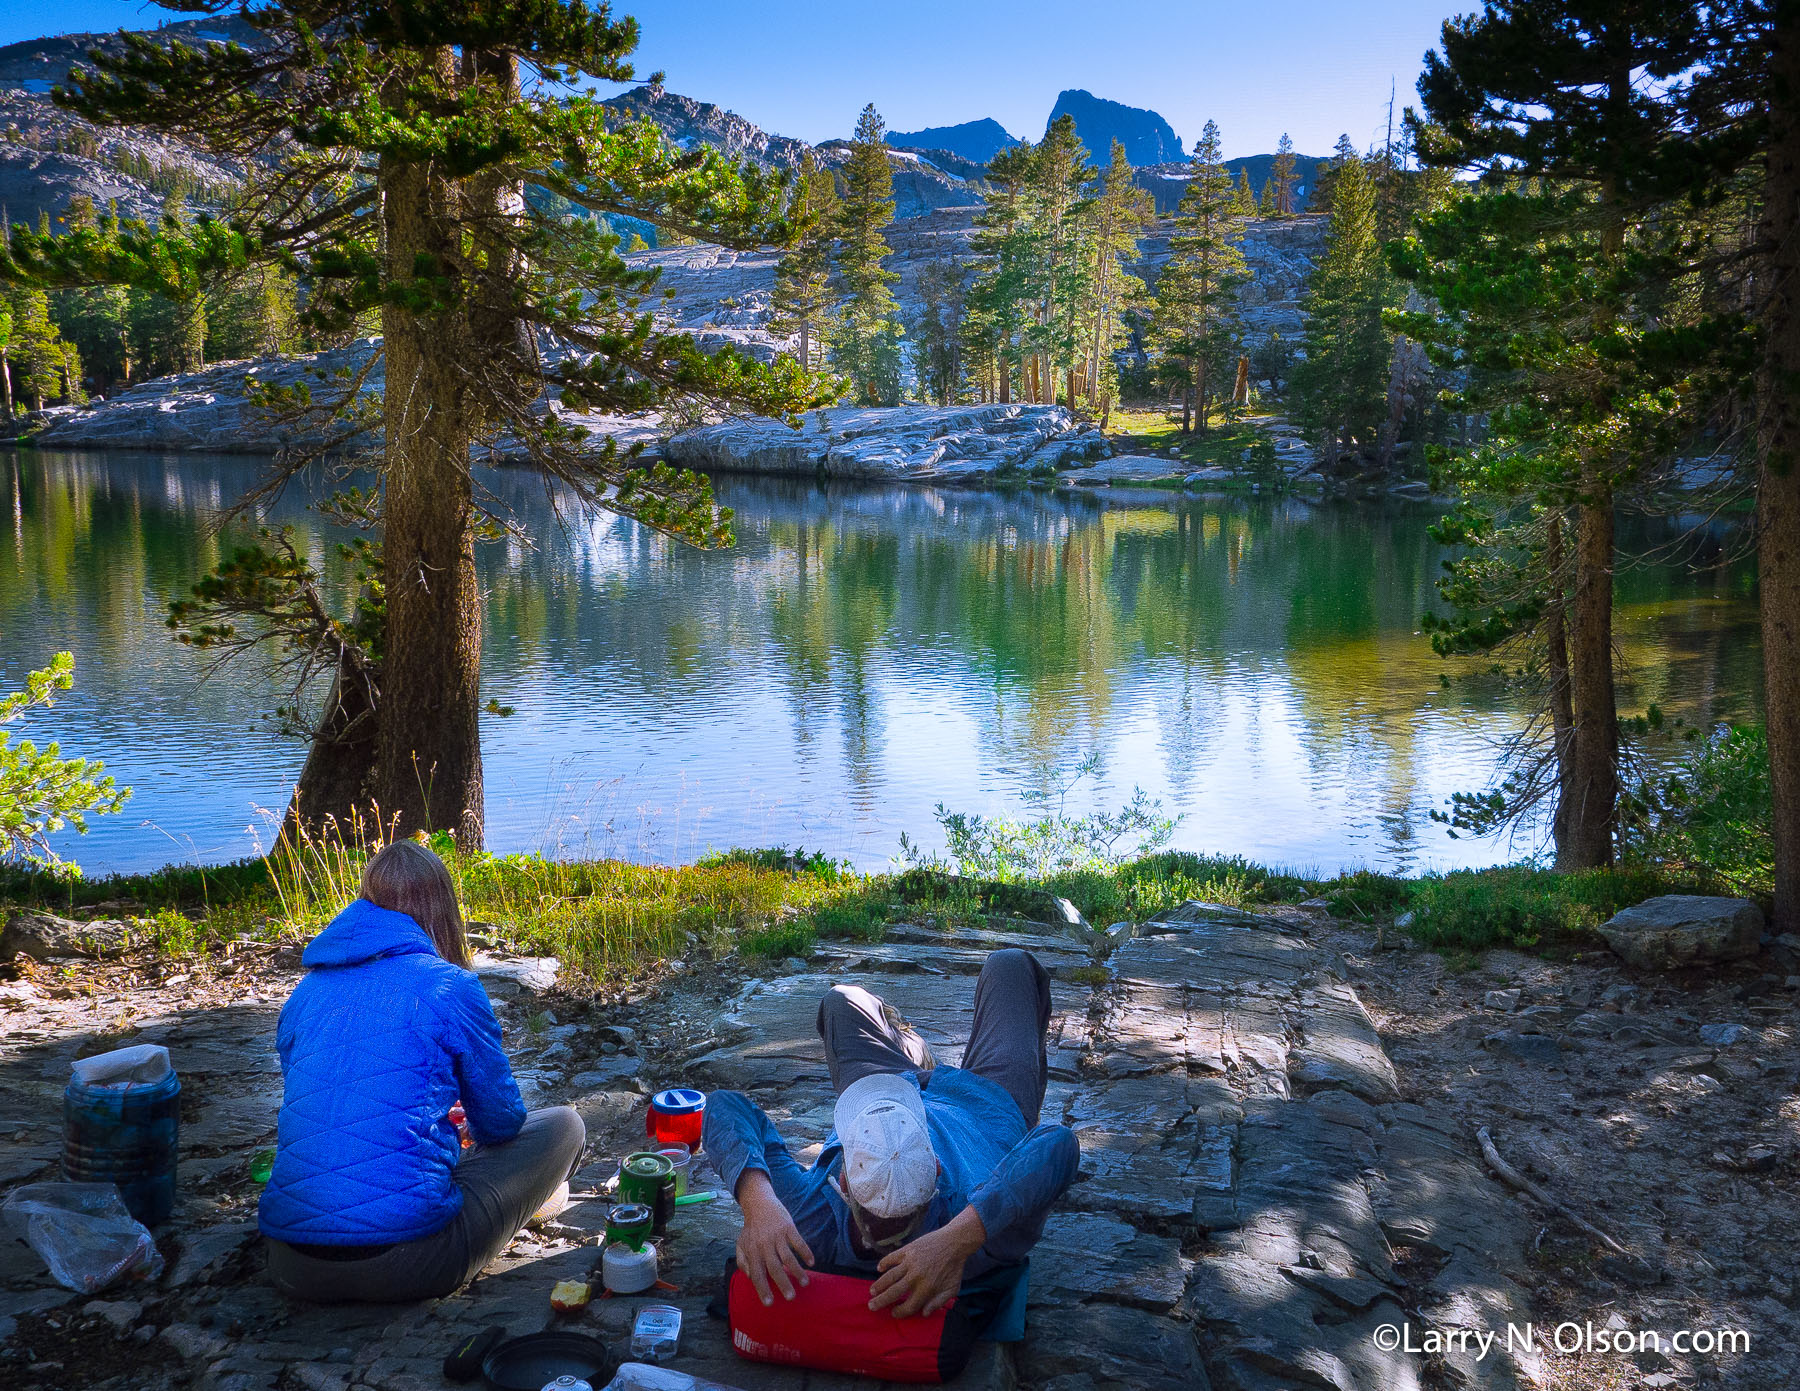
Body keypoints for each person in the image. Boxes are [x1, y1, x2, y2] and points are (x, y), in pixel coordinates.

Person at [260, 840, 585, 1302]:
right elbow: (501, 1124)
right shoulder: (449, 986)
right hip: (409, 1262)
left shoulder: (304, 995)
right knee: (565, 1125)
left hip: (291, 1263)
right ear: (443, 906)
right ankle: (535, 1202)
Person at [703, 948, 1080, 1321]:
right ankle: (912, 1054)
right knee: (1011, 964)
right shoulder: (978, 1236)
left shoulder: (805, 1223)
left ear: (845, 1183)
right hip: (988, 1101)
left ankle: (909, 1050)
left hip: (886, 1091)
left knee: (841, 1000)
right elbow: (1058, 1144)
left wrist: (760, 1206)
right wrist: (956, 1241)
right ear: (934, 1169)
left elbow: (725, 1108)